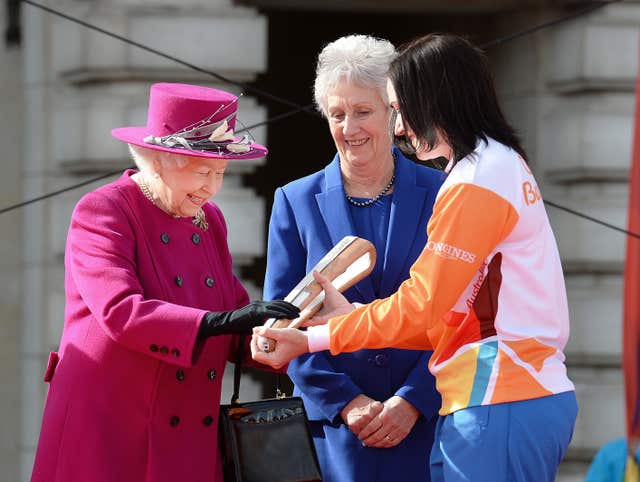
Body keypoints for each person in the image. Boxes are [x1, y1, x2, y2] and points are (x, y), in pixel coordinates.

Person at [252, 33, 579, 482]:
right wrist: (340, 358)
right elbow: (443, 310)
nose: (403, 126)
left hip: (494, 395)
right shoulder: (493, 167)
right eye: (338, 114)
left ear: (429, 101)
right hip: (482, 399)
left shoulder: (473, 181)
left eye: (394, 109)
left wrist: (314, 339)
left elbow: (424, 307)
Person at [30, 83, 299, 482]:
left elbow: (232, 313)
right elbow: (119, 310)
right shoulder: (104, 209)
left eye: (221, 173)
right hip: (112, 428)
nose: (212, 187)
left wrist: (282, 334)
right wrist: (219, 323)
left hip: (188, 430)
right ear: (159, 161)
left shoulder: (210, 221)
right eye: (203, 171)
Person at [263, 35, 443, 482]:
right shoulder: (294, 200)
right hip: (336, 439)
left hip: (429, 426)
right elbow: (283, 321)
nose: (349, 128)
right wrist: (348, 403)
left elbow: (462, 311)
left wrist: (414, 400)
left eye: (363, 112)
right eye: (337, 114)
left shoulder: (445, 192)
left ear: (394, 114)